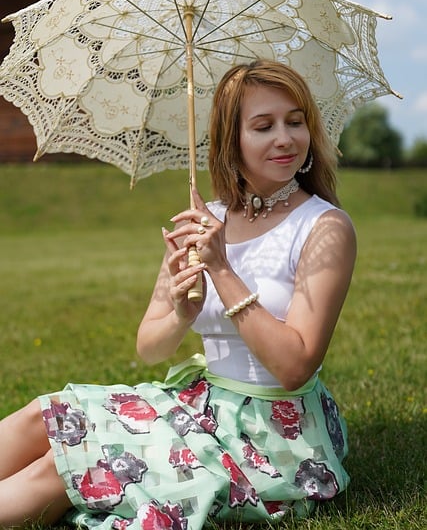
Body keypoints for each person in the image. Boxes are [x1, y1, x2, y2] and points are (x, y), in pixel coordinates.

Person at [0, 60, 356, 529]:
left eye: (295, 121)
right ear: (232, 140)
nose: (285, 138)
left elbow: (295, 367)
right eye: (263, 126)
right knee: (41, 417)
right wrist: (181, 314)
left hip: (273, 437)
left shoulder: (324, 227)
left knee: (67, 463)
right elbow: (150, 347)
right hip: (201, 405)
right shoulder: (204, 219)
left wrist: (222, 270)